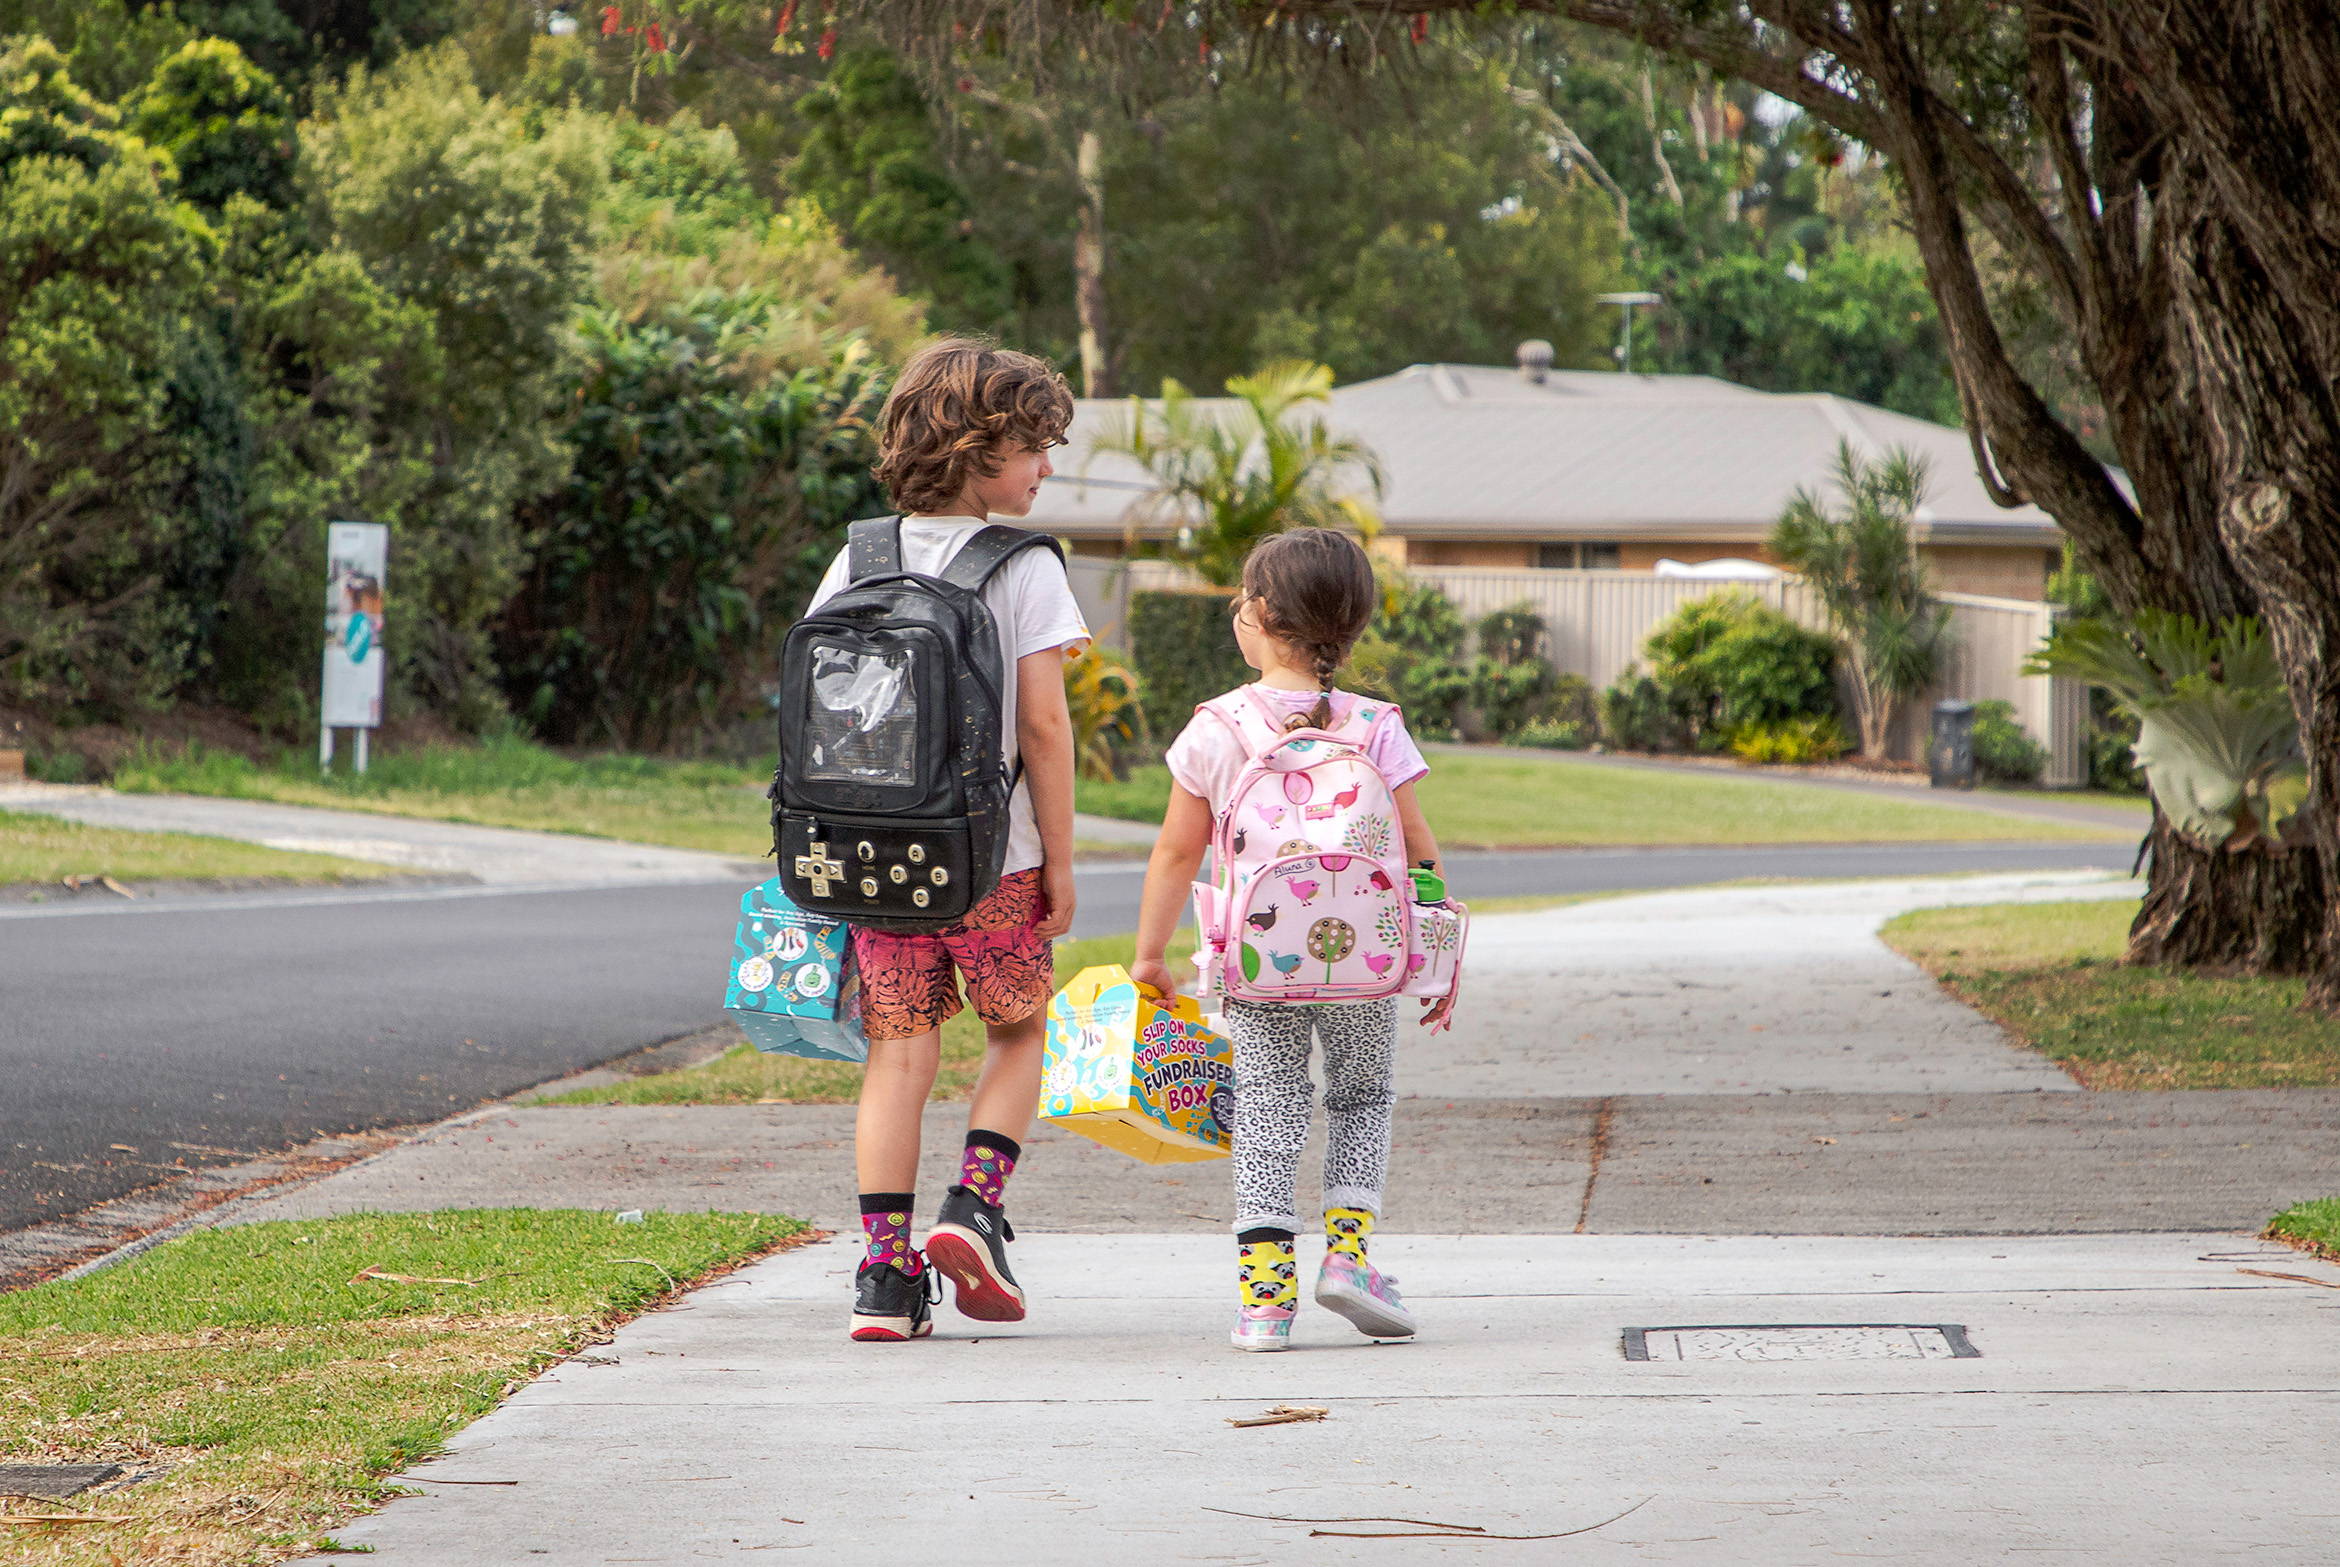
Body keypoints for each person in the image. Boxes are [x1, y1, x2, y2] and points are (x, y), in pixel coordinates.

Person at [803, 338, 1088, 1343]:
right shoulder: (1023, 567)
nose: (1046, 468)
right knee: (1020, 1032)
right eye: (1035, 448)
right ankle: (972, 1208)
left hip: (874, 859)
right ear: (979, 447)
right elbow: (1046, 729)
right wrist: (1058, 855)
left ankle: (883, 1280)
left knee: (897, 1056)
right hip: (988, 862)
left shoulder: (857, 554)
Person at [1127, 527, 1453, 1352]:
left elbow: (1174, 851)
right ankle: (1348, 1260)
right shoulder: (1377, 725)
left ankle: (1264, 1302)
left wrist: (1149, 953)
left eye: (1242, 599)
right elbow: (1419, 847)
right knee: (1361, 1097)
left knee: (1268, 1108)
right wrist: (1434, 946)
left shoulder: (1219, 728)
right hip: (1366, 960)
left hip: (1255, 959)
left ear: (1261, 615)